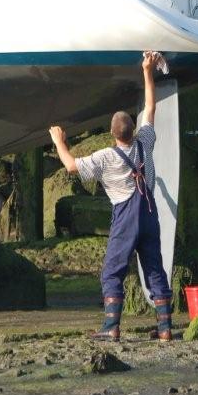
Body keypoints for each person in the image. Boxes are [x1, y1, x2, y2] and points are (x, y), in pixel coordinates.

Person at [48, 51, 173, 342]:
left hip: (125, 217)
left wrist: (59, 142)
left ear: (112, 133)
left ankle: (111, 326)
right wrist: (147, 70)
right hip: (149, 213)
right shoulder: (145, 142)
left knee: (112, 272)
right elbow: (151, 107)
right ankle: (165, 328)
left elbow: (71, 167)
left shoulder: (105, 157)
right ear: (133, 128)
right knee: (154, 269)